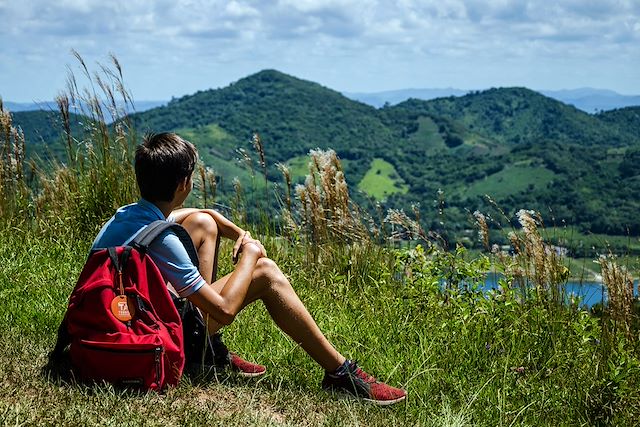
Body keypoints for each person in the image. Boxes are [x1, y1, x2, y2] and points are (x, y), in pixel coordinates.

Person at [91, 132, 407, 405]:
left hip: (120, 320)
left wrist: (238, 233)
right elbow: (226, 311)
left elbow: (202, 214)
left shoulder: (127, 215)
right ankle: (341, 374)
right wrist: (251, 253)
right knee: (267, 272)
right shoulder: (165, 243)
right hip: (154, 338)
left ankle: (209, 352)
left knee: (203, 223)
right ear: (183, 184)